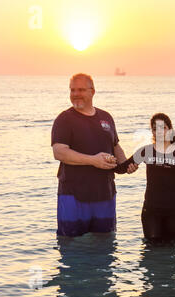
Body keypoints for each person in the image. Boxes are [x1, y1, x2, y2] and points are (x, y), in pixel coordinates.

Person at [51, 73, 138, 237]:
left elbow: (115, 145)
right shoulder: (64, 119)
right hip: (73, 195)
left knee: (105, 244)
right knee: (70, 245)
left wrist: (126, 165)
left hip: (105, 193)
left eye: (81, 90)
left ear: (92, 91)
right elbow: (59, 152)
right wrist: (93, 160)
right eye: (72, 90)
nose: (76, 94)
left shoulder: (106, 117)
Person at [115, 113, 175, 245]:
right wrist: (107, 160)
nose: (158, 132)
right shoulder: (146, 151)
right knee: (152, 250)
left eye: (162, 128)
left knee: (173, 251)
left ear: (169, 129)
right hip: (151, 210)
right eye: (154, 128)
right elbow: (121, 168)